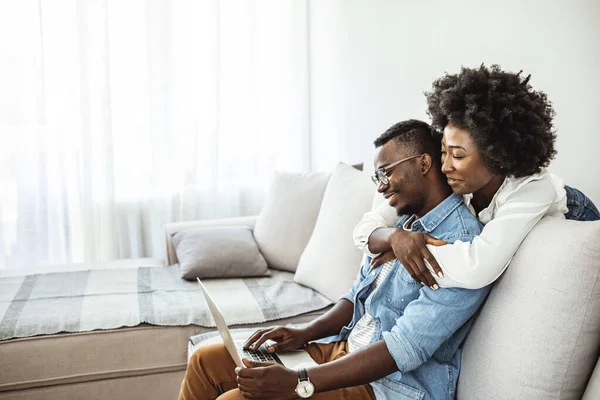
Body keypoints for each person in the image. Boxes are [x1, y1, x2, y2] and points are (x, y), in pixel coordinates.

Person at [178, 121, 491, 400]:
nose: (380, 186)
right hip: (343, 350)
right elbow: (356, 299)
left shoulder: (459, 243)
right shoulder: (403, 223)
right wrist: (303, 332)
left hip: (388, 386)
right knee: (206, 362)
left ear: (423, 163)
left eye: (385, 172)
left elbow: (406, 347)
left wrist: (298, 380)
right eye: (376, 176)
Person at [354, 64, 600, 290]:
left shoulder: (533, 188)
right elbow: (365, 229)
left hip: (579, 214)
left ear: (496, 156)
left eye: (458, 156)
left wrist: (403, 251)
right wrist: (395, 238)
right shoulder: (450, 175)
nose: (446, 166)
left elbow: (476, 267)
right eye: (443, 152)